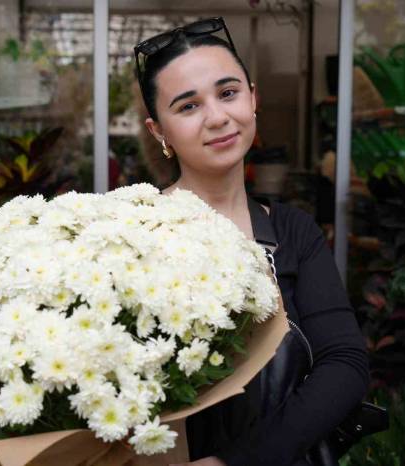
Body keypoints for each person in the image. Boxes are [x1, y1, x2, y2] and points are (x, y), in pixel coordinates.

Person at [133, 17, 370, 466]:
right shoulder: (129, 233)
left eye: (228, 93)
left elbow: (345, 363)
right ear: (158, 131)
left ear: (253, 97)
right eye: (188, 106)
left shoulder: (293, 232)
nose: (218, 117)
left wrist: (235, 462)